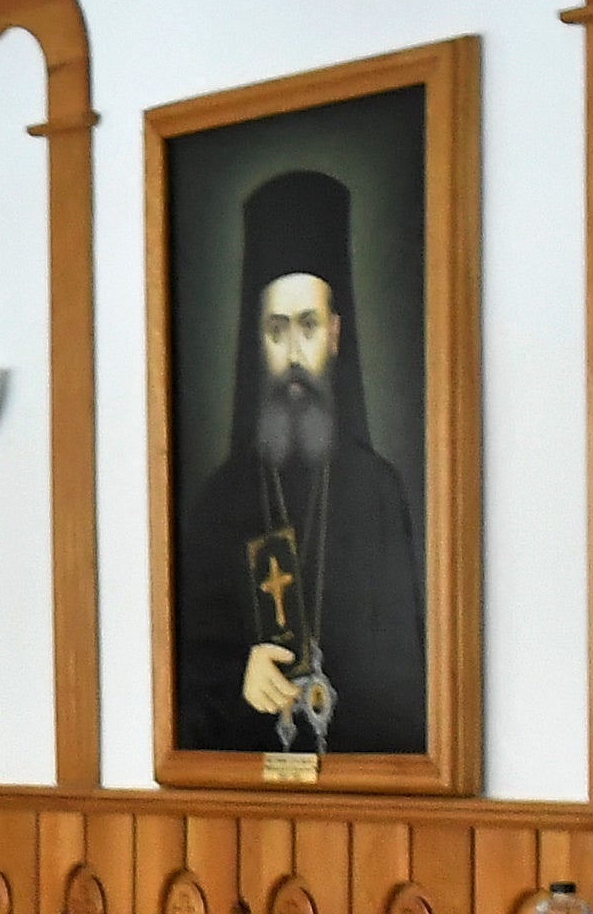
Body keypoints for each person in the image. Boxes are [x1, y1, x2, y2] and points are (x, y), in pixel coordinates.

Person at [173, 166, 425, 761]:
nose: (292, 355)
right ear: (256, 339)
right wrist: (243, 674)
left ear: (336, 335)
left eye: (308, 327)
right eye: (276, 330)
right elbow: (188, 686)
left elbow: (407, 690)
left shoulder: (378, 492)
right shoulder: (215, 505)